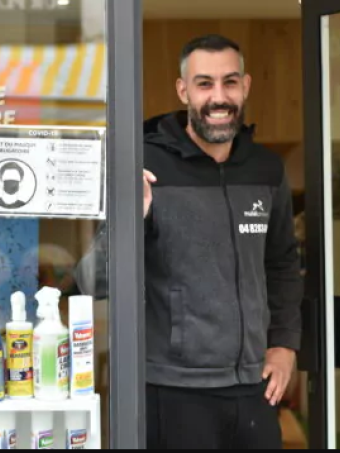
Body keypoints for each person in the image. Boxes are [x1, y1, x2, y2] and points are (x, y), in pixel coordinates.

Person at [75, 34, 304, 449]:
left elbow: (283, 263)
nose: (219, 97)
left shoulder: (267, 169)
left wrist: (285, 345)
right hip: (173, 391)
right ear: (183, 90)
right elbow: (94, 281)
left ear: (246, 86)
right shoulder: (142, 165)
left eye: (230, 82)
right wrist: (133, 221)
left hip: (254, 388)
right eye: (204, 84)